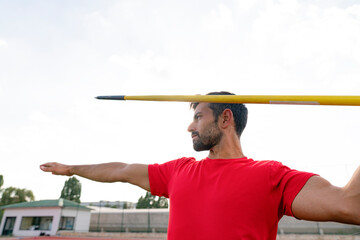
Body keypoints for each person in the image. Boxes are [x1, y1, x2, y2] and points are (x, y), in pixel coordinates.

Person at [40, 91, 360, 240]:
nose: (190, 127)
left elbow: (350, 206)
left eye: (197, 116)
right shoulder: (178, 171)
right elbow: (122, 170)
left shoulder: (272, 176)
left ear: (225, 118)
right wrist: (71, 169)